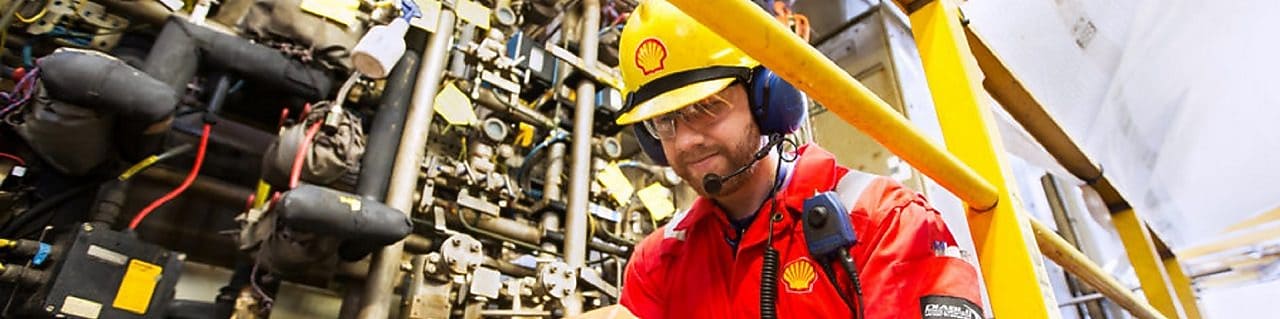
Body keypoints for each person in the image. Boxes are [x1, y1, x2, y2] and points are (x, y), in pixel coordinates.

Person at [580, 1, 983, 318]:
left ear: (768, 98)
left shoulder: (885, 222)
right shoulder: (657, 263)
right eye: (664, 122)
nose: (684, 141)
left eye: (705, 106)